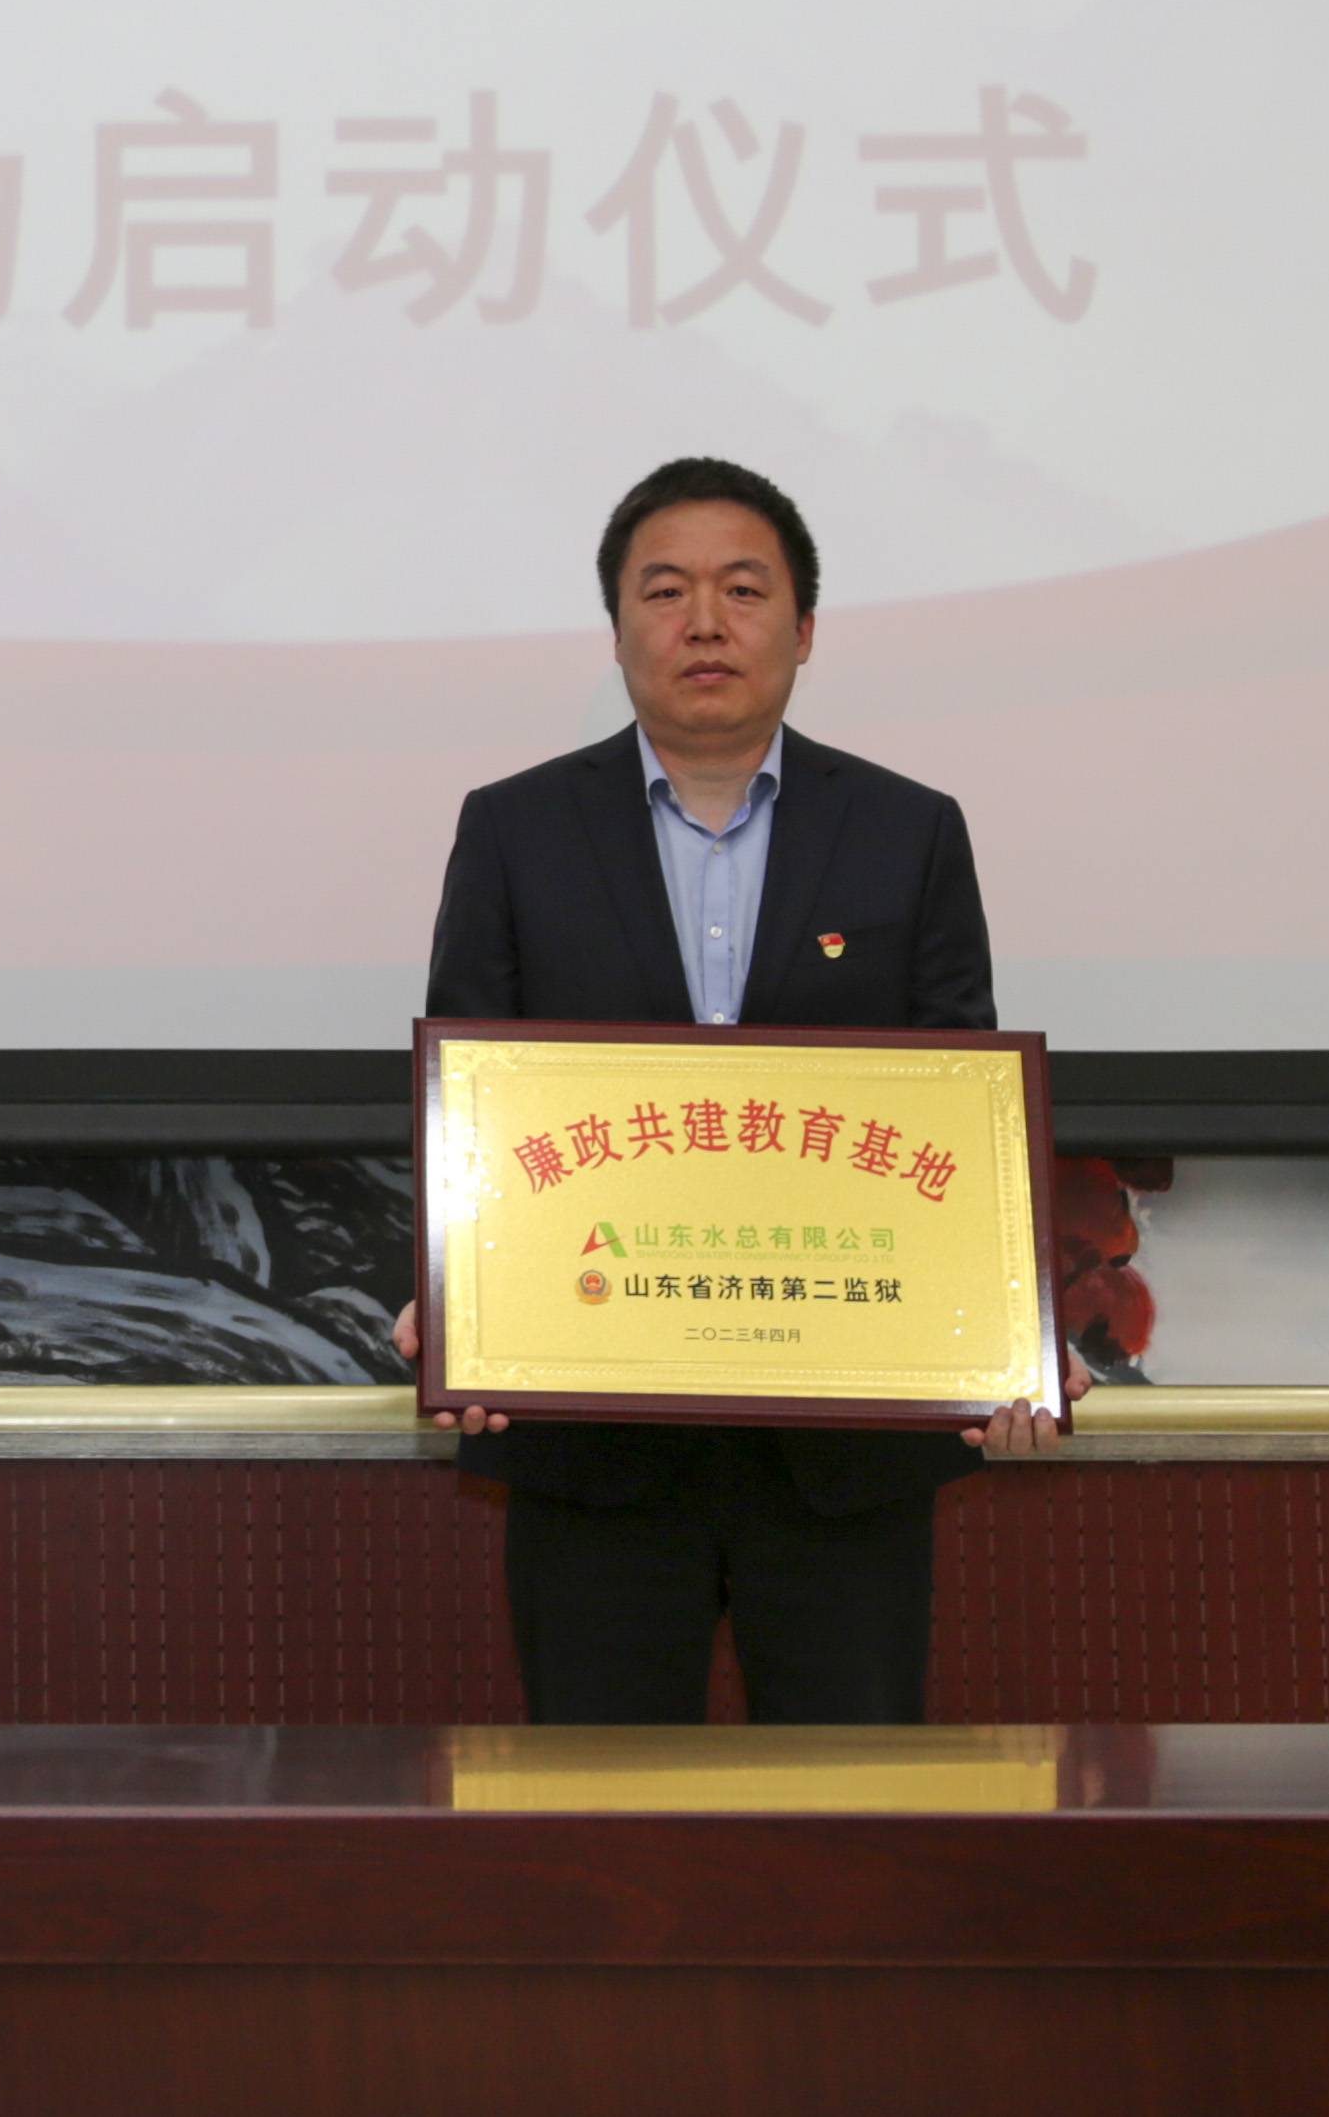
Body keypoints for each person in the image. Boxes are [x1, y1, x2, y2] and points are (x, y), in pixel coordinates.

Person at [396, 454, 1064, 1725]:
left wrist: (1005, 1327)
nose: (703, 622)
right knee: (596, 1804)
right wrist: (455, 1300)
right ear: (615, 630)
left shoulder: (908, 831)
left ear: (804, 630)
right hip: (590, 1441)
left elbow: (955, 1101)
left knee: (853, 1804)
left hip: (844, 1451)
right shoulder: (515, 831)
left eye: (743, 590)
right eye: (664, 591)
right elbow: (468, 1100)